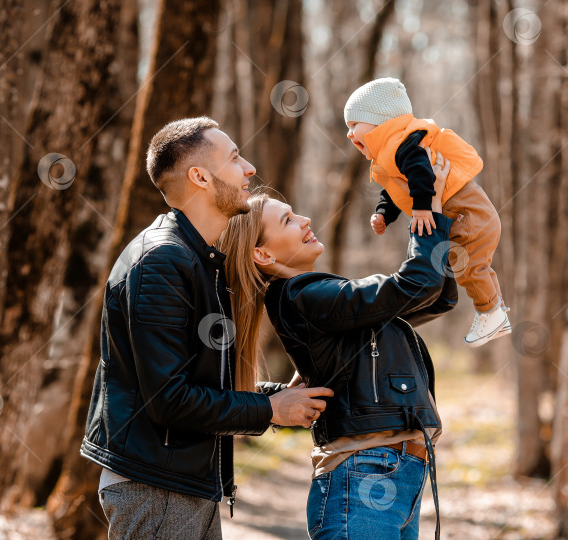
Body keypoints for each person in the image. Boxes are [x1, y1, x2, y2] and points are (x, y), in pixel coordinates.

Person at [80, 116, 334, 539]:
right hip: (156, 487)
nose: (249, 168)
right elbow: (168, 401)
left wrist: (279, 397)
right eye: (235, 157)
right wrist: (271, 410)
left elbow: (201, 382)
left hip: (180, 482)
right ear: (199, 176)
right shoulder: (161, 262)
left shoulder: (200, 261)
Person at [218, 153, 456, 540]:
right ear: (262, 254)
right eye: (288, 220)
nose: (305, 220)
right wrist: (428, 208)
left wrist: (439, 217)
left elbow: (437, 298)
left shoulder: (317, 300)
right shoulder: (303, 296)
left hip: (392, 473)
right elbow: (416, 285)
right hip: (364, 475)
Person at [344, 77, 511, 348]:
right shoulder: (393, 152)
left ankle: (491, 313)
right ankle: (494, 311)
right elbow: (397, 189)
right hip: (467, 214)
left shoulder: (404, 145)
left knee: (469, 267)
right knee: (472, 266)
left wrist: (422, 208)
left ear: (380, 121)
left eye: (354, 125)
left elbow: (421, 173)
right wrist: (384, 213)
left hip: (468, 214)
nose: (350, 134)